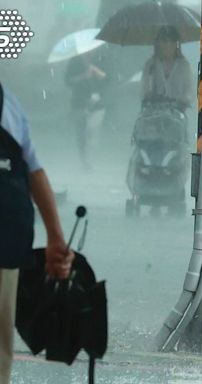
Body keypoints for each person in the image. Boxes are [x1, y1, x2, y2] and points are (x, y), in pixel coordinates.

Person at [0, 83, 74, 384]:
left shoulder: (9, 105)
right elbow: (33, 170)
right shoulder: (9, 105)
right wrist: (55, 238)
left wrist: (55, 238)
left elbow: (33, 171)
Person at [64, 52, 108, 170]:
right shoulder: (74, 61)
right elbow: (68, 81)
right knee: (81, 133)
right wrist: (83, 76)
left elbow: (107, 79)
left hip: (97, 103)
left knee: (93, 132)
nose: (90, 53)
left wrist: (98, 74)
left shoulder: (100, 59)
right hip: (79, 103)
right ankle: (84, 160)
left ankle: (91, 158)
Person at [141, 26, 194, 110]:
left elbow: (189, 90)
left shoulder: (184, 66)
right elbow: (145, 88)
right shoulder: (151, 64)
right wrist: (151, 98)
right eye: (164, 41)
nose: (168, 44)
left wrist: (183, 100)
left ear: (176, 45)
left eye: (172, 41)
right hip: (153, 113)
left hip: (177, 113)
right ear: (158, 43)